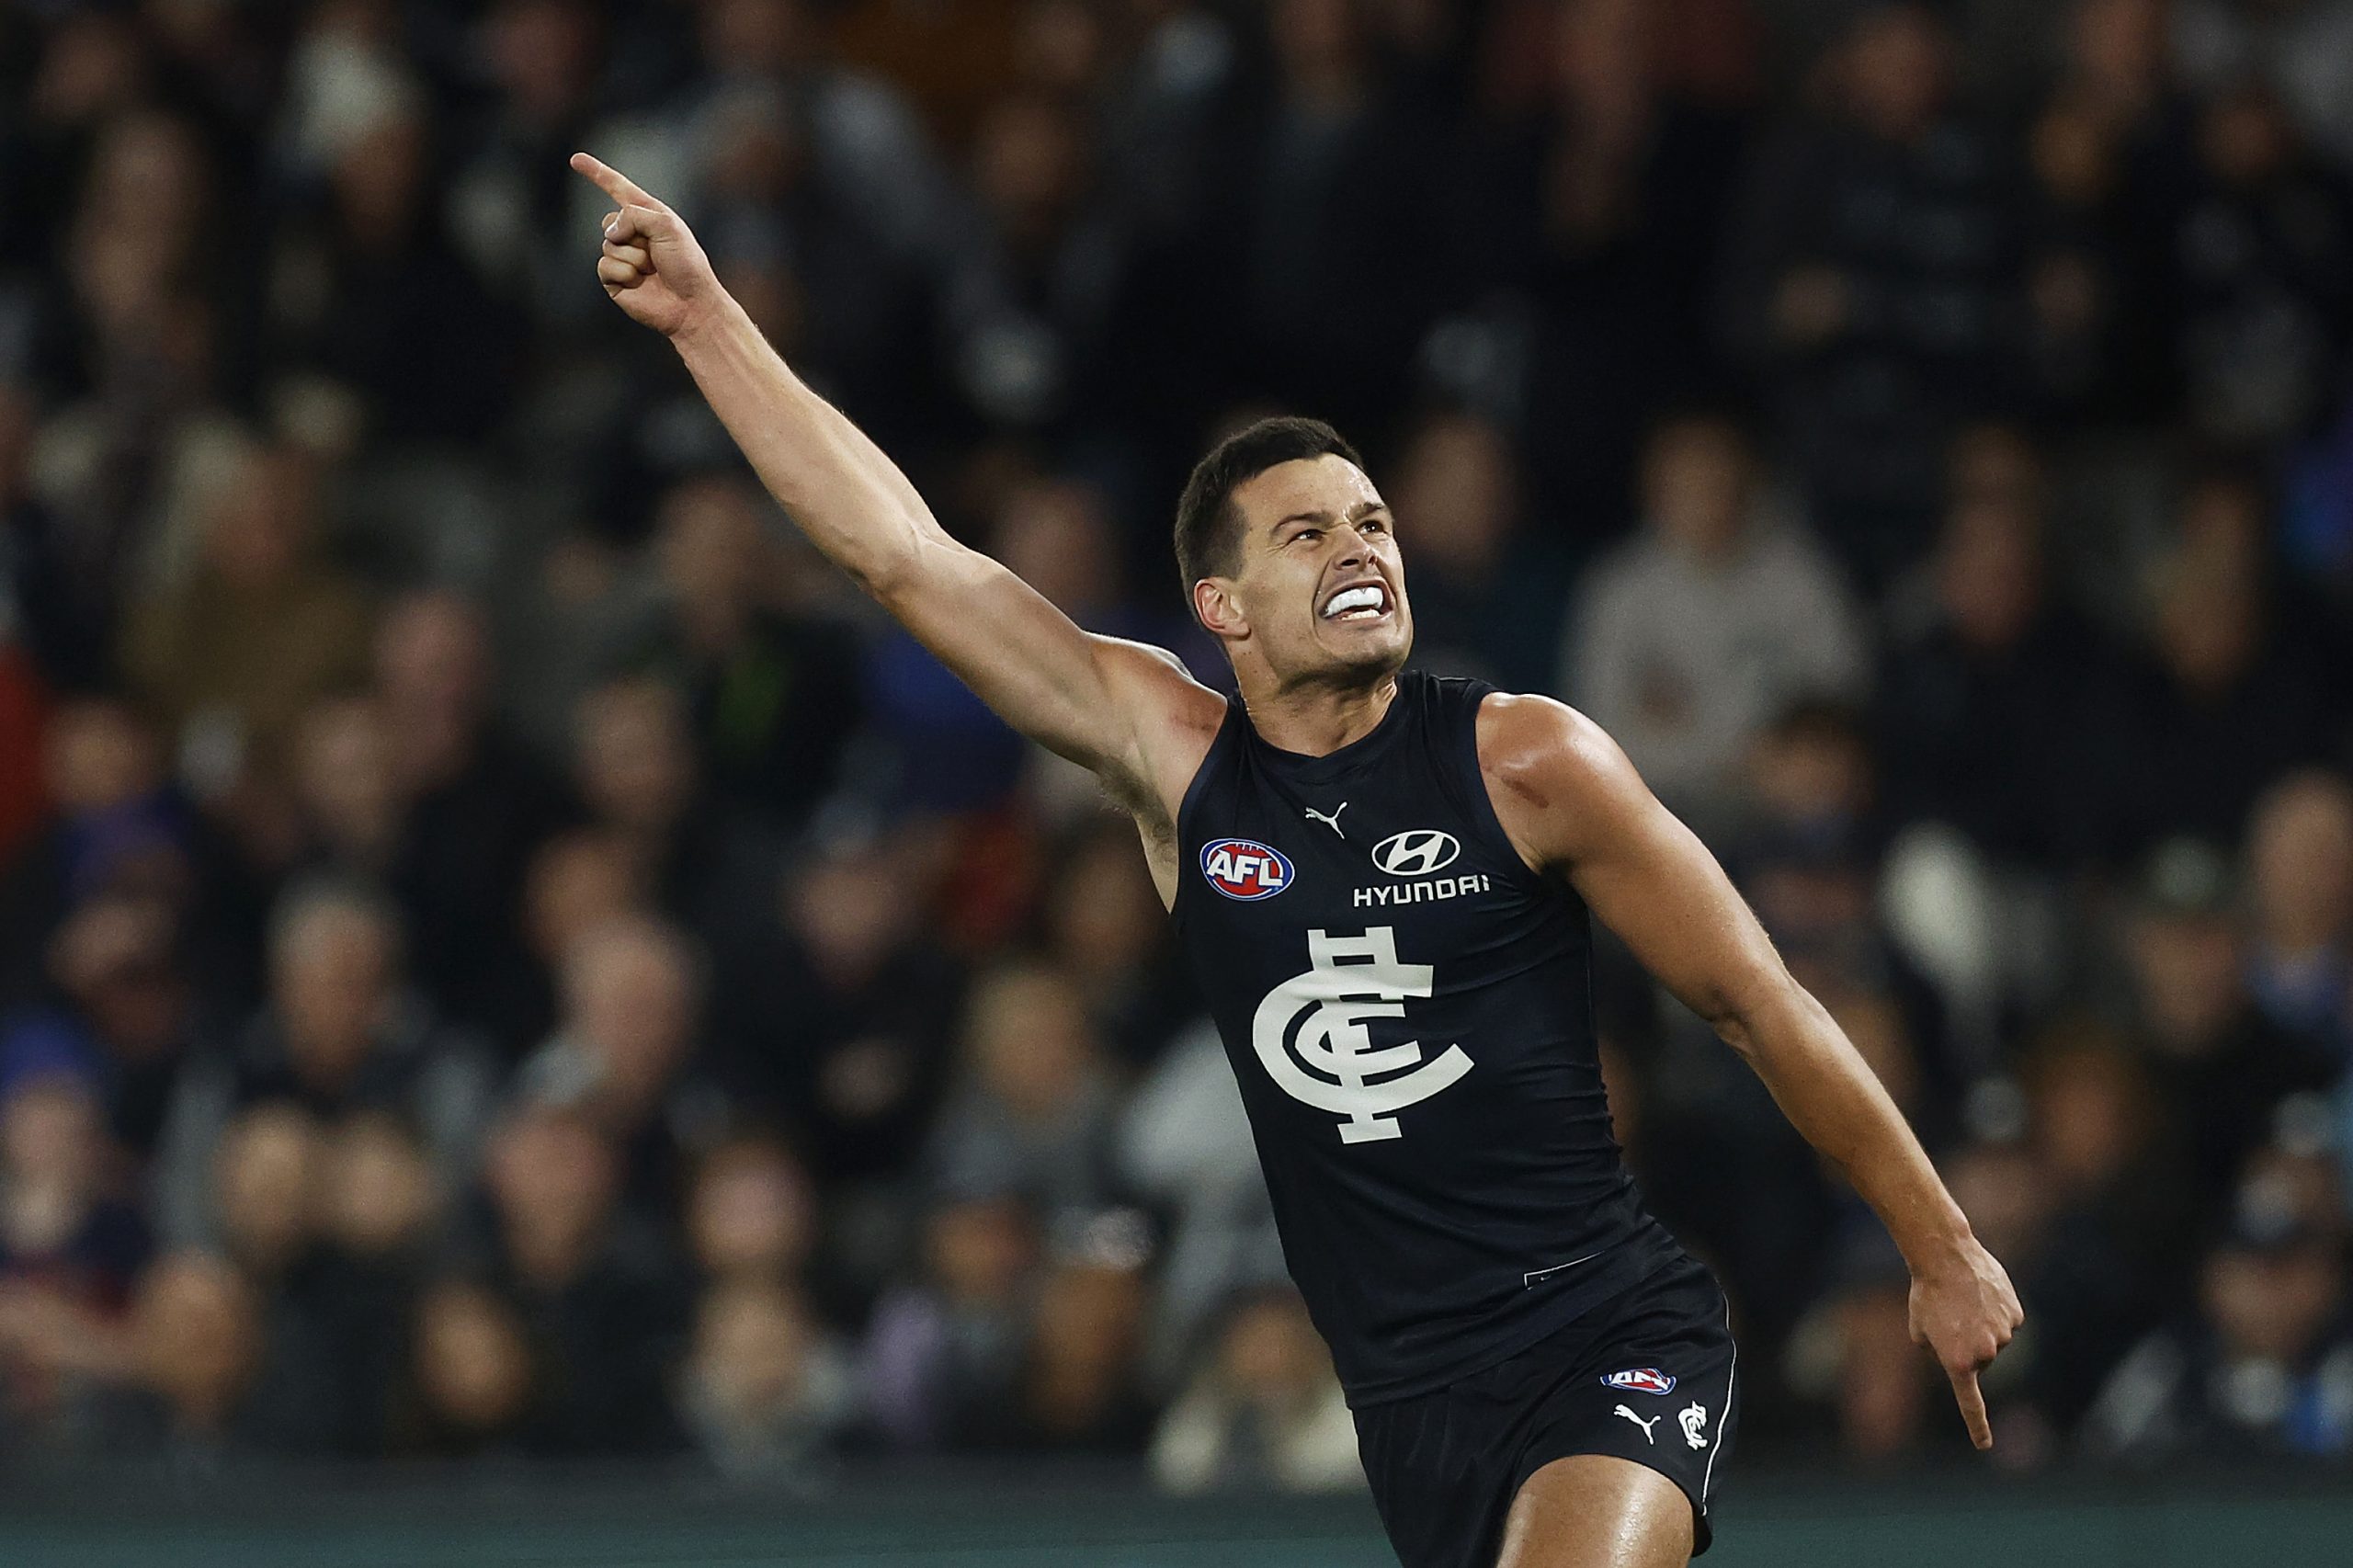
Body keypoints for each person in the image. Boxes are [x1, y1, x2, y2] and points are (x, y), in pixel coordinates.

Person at [570, 151, 2020, 1568]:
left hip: (1607, 1334)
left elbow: (1758, 1000)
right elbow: (907, 556)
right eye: (1310, 531)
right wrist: (708, 318)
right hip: (1404, 1401)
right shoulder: (1177, 759)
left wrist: (1940, 1244)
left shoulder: (1528, 759)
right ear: (1223, 605)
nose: (1363, 547)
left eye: (1376, 521)